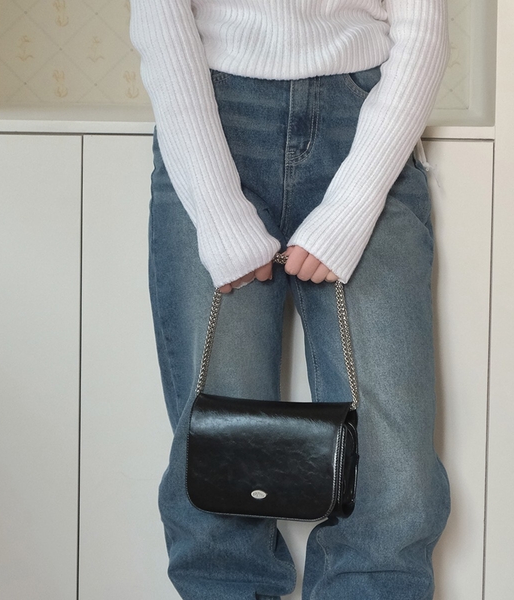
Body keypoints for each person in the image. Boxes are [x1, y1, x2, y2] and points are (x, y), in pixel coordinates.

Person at [129, 1, 451, 598]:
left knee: (393, 461)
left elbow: (424, 30)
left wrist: (351, 207)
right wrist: (217, 210)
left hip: (370, 124)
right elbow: (160, 19)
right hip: (207, 122)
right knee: (218, 446)